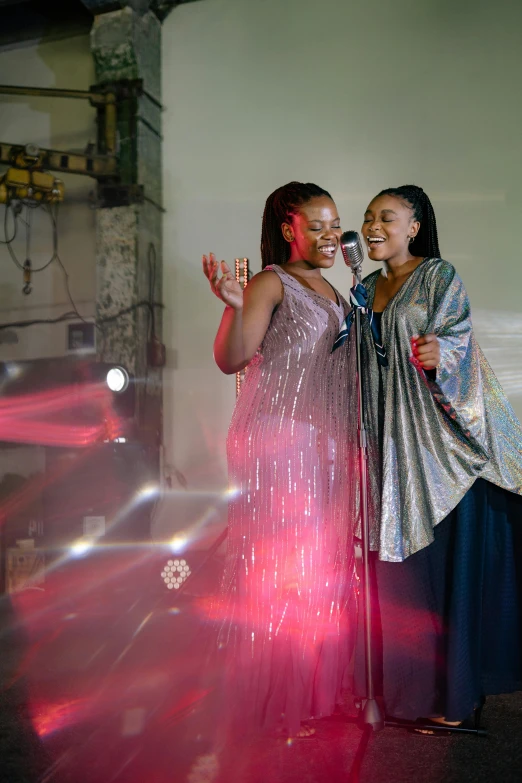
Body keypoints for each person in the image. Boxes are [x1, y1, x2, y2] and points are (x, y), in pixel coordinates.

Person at [351, 184, 522, 729]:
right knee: (405, 580)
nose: (374, 225)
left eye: (388, 216)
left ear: (415, 225)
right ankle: (410, 698)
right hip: (389, 454)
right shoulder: (364, 287)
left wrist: (441, 353)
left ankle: (458, 702)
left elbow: (460, 342)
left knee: (447, 576)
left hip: (438, 453)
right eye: (369, 217)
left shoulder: (437, 275)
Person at [201, 182, 358, 742]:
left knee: (317, 570)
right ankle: (269, 698)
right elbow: (232, 359)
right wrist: (234, 307)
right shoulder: (272, 281)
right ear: (289, 227)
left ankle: (310, 695)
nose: (330, 236)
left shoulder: (340, 293)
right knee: (278, 568)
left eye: (335, 225)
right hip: (278, 440)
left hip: (323, 442)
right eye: (316, 225)